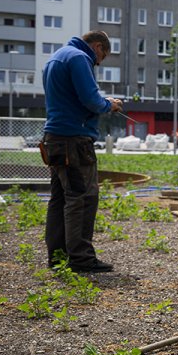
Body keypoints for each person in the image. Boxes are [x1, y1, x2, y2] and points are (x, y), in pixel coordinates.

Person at [42, 30, 123, 273]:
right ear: (97, 46)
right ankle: (81, 258)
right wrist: (110, 104)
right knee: (83, 198)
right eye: (102, 57)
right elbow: (91, 100)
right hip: (74, 141)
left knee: (60, 199)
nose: (98, 63)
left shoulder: (56, 57)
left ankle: (57, 257)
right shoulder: (79, 58)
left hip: (54, 138)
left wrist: (100, 99)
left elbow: (71, 98)